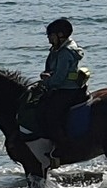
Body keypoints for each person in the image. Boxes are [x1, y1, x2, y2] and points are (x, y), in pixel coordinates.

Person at [23, 18, 91, 171]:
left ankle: (61, 147)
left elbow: (59, 78)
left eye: (50, 36)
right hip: (62, 87)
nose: (48, 39)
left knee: (51, 114)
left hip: (67, 90)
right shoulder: (58, 48)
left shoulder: (65, 52)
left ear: (60, 35)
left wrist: (46, 82)